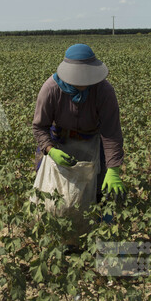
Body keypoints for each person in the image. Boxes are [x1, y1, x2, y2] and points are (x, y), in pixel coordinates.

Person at [32, 44, 126, 242]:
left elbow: (111, 132)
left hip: (92, 140)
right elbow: (39, 127)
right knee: (52, 191)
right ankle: (55, 236)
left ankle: (97, 237)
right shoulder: (51, 89)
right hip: (57, 139)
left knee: (100, 191)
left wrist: (114, 168)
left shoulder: (104, 92)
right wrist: (50, 150)